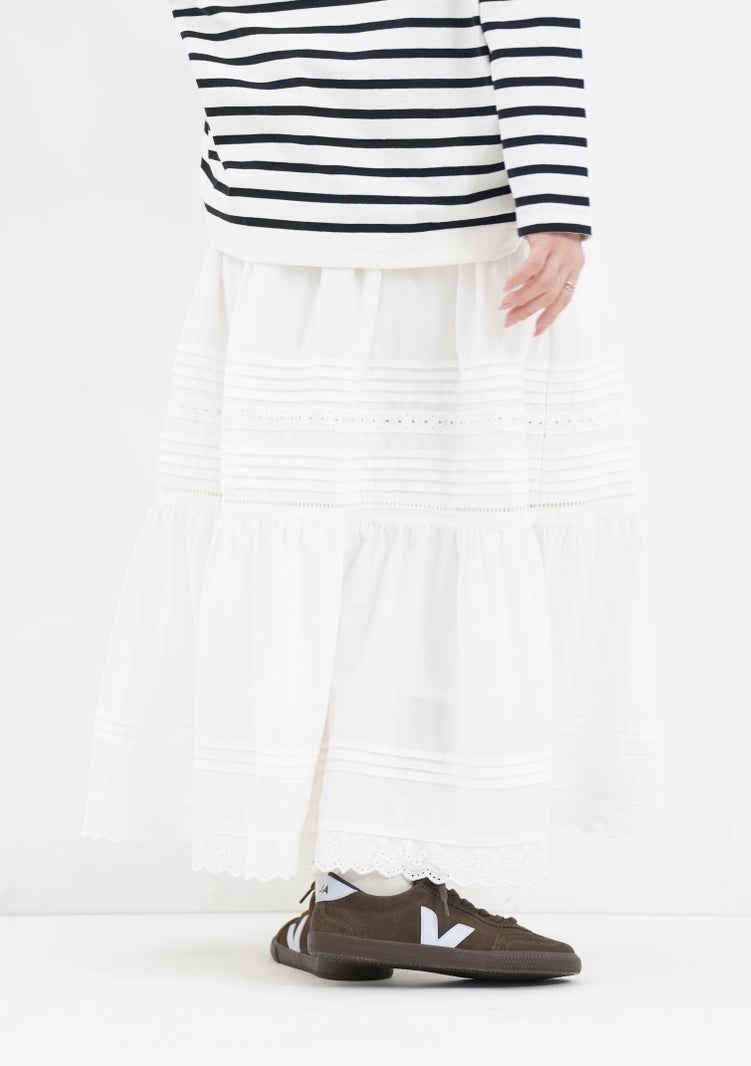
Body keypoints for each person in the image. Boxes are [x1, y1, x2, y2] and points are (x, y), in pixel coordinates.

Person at [82, 1, 659, 982]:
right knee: (422, 549)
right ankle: (375, 892)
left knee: (337, 549)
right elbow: (524, 16)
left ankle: (355, 888)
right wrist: (557, 204)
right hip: (443, 232)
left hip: (273, 243)